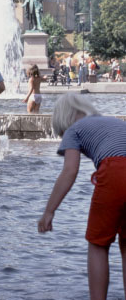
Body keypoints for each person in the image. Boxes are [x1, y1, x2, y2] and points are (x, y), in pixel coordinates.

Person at [38, 93, 126, 300]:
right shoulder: (113, 121)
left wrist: (49, 211)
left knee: (98, 243)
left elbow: (70, 171)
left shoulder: (73, 130)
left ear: (63, 118)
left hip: (115, 171)